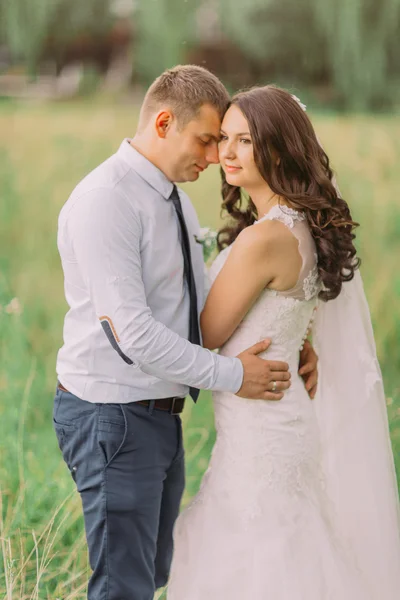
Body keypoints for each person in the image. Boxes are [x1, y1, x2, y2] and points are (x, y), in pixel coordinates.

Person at [53, 66, 318, 600]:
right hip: (115, 416)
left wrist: (292, 335)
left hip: (157, 417)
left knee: (152, 575)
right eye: (207, 139)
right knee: (123, 585)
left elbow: (202, 299)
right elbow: (133, 335)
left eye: (224, 140)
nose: (215, 155)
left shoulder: (171, 195)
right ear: (164, 122)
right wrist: (232, 374)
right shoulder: (109, 199)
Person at [167, 85, 400, 599]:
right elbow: (287, 314)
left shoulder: (264, 239)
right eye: (223, 137)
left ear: (276, 148)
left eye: (244, 141)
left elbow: (203, 334)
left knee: (259, 555)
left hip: (262, 426)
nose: (225, 152)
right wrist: (299, 344)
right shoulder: (299, 227)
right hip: (277, 416)